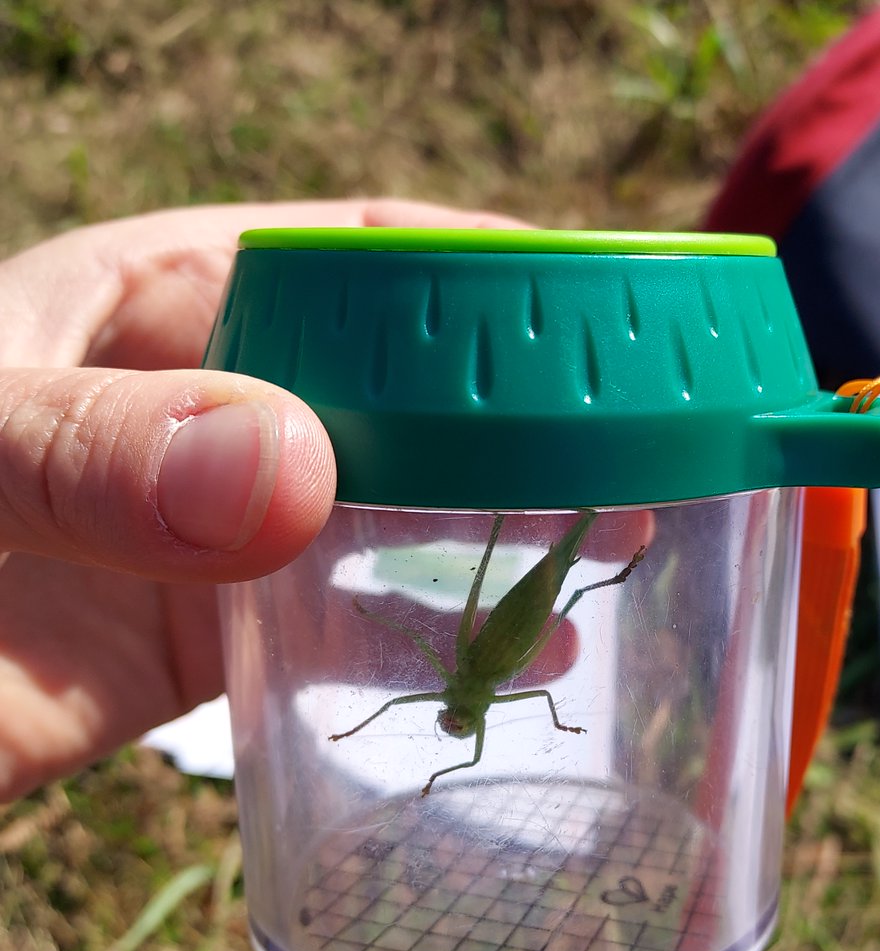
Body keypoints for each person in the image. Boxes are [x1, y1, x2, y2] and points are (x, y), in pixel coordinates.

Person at [0, 199, 527, 804]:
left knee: (512, 592)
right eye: (460, 722)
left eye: (453, 722)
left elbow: (420, 646)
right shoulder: (461, 682)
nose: (452, 719)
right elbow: (419, 645)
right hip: (498, 647)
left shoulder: (455, 681)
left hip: (489, 648)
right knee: (503, 590)